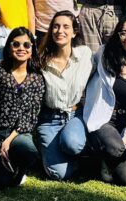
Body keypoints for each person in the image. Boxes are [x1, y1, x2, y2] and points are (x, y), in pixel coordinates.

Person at [83, 17, 126, 186]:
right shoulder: (103, 54)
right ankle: (104, 154)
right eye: (124, 33)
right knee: (116, 148)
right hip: (105, 120)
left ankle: (108, 159)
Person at [0, 27, 45, 190]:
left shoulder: (37, 78)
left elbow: (31, 116)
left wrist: (8, 141)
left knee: (28, 151)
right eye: (16, 44)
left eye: (27, 45)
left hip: (18, 133)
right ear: (9, 47)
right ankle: (5, 164)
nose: (21, 48)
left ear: (32, 49)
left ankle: (20, 170)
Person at [35, 10, 91, 180]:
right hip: (49, 119)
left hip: (75, 115)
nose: (60, 31)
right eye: (56, 27)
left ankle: (79, 152)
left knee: (72, 144)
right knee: (58, 174)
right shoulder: (41, 60)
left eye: (66, 27)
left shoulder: (85, 55)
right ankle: (53, 152)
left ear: (74, 32)